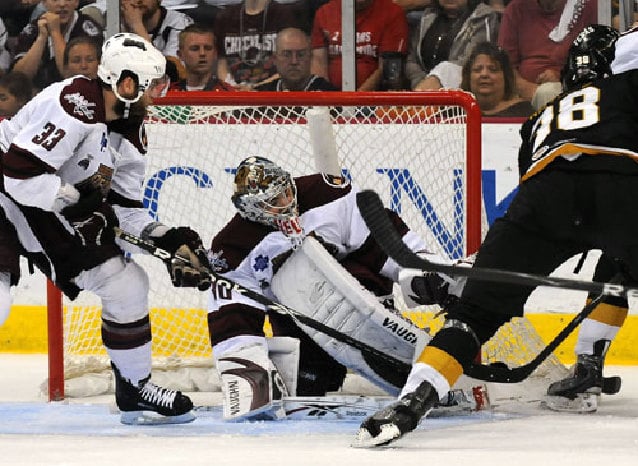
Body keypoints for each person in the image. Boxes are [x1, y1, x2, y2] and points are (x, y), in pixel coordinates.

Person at [354, 24, 638, 447]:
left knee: (473, 318)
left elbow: (532, 189)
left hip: (546, 193)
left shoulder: (541, 115)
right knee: (615, 269)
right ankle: (589, 364)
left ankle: (411, 402)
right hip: (622, 186)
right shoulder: (628, 87)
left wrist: (494, 257)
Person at [0, 32, 212, 424]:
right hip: (4, 191)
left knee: (126, 284)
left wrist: (168, 242)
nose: (157, 96)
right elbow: (18, 175)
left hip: (39, 203)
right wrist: (73, 200)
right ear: (126, 84)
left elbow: (127, 211)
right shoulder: (76, 104)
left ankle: (134, 388)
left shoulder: (129, 130)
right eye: (153, 87)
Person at [208, 156, 466, 420]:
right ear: (251, 209)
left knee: (362, 276)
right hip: (297, 319)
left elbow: (378, 235)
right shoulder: (233, 248)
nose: (287, 203)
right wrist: (249, 375)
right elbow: (234, 315)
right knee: (309, 386)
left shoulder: (325, 194)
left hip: (359, 287)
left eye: (286, 191)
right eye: (274, 202)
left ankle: (409, 356)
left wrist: (419, 268)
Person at [497, 0, 597, 110]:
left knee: (547, 93)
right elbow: (505, 64)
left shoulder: (589, 7)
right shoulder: (516, 9)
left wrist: (563, 76)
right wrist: (526, 88)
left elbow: (597, 61)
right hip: (520, 92)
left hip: (573, 90)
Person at [311, 0, 409, 91]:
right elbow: (318, 61)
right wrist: (327, 99)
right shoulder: (324, 13)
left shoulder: (392, 13)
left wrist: (355, 102)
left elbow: (386, 66)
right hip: (331, 100)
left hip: (373, 99)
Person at [405, 0, 500, 91]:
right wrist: (421, 83)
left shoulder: (483, 17)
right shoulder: (428, 16)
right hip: (422, 91)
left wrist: (438, 80)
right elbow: (412, 60)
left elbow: (474, 61)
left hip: (463, 94)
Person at [12, 0, 104, 91]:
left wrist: (55, 32)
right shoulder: (33, 29)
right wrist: (41, 38)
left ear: (76, 2)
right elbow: (19, 78)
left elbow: (70, 73)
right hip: (39, 95)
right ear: (44, 3)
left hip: (78, 92)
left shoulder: (88, 29)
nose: (62, 4)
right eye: (55, 0)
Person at [213, 0, 307, 89]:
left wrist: (256, 88)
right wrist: (233, 88)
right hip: (234, 94)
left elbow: (290, 63)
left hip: (274, 92)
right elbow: (222, 63)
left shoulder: (284, 15)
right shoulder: (226, 17)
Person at [460, 41, 533, 117]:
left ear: (505, 77)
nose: (484, 74)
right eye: (477, 70)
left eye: (493, 70)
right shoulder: (454, 112)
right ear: (468, 77)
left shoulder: (523, 112)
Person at [254, 27, 337, 91]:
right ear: (275, 59)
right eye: (287, 54)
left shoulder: (330, 96)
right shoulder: (260, 96)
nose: (294, 61)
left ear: (310, 57)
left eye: (301, 55)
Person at [169, 23, 234, 91]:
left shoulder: (229, 94)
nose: (202, 53)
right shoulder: (166, 94)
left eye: (208, 48)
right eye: (195, 48)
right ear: (180, 55)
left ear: (215, 53)